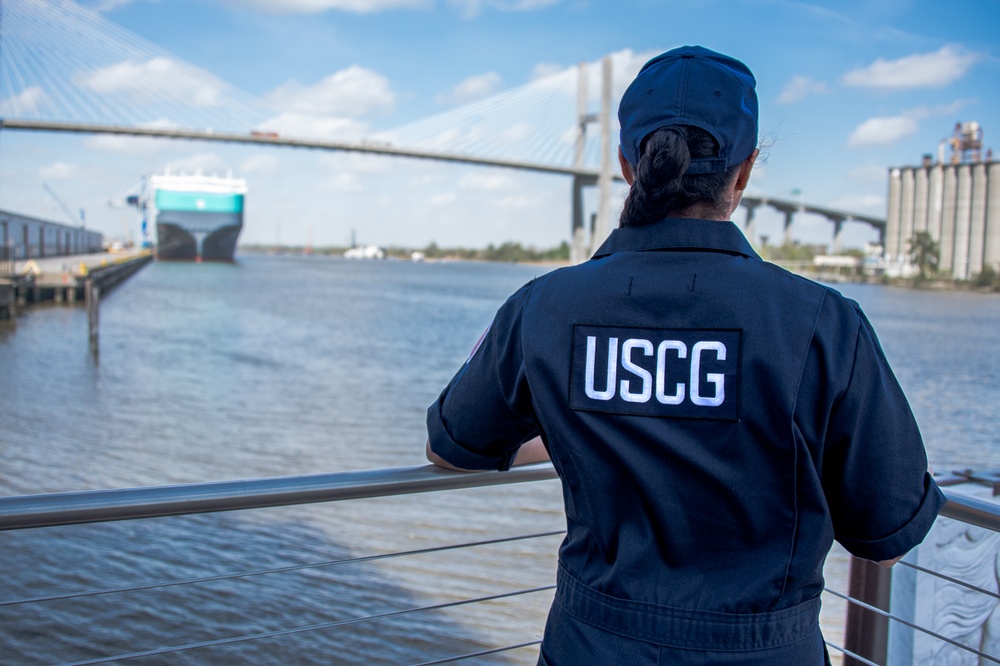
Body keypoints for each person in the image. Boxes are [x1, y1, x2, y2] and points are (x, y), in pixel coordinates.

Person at [425, 45, 945, 665]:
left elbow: (451, 447)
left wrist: (573, 426)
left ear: (626, 164)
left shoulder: (544, 307)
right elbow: (885, 536)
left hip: (590, 648)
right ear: (745, 172)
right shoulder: (823, 322)